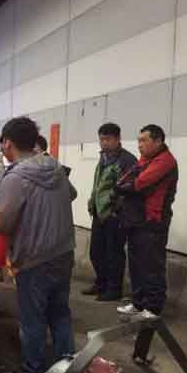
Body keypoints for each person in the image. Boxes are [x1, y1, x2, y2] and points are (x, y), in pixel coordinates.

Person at [0, 117, 78, 373]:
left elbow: (4, 223)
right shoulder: (55, 167)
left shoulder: (16, 177)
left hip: (34, 258)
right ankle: (67, 368)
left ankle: (34, 371)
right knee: (60, 312)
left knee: (33, 318)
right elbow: (72, 194)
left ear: (8, 143)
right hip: (63, 251)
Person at [115, 124, 178, 320]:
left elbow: (137, 184)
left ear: (158, 141)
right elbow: (122, 181)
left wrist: (125, 187)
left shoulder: (165, 161)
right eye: (139, 140)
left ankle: (153, 308)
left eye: (144, 140)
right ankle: (138, 302)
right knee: (136, 264)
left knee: (152, 266)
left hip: (153, 221)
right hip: (136, 220)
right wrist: (124, 186)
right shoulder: (145, 160)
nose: (139, 145)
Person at [82, 123, 137, 301]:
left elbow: (129, 189)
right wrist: (93, 201)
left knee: (113, 253)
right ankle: (101, 283)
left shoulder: (127, 160)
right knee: (96, 252)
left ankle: (114, 289)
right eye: (101, 139)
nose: (103, 143)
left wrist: (116, 209)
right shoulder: (104, 157)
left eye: (108, 139)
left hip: (115, 215)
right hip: (99, 213)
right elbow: (99, 183)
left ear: (118, 139)